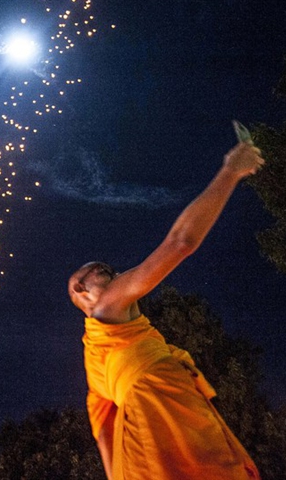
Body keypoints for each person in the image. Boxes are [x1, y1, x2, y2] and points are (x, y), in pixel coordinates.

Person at [68, 142, 264, 480]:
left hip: (160, 427)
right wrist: (231, 172)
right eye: (102, 270)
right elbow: (180, 243)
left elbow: (104, 434)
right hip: (162, 416)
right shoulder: (104, 308)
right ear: (80, 289)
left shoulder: (99, 360)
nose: (115, 274)